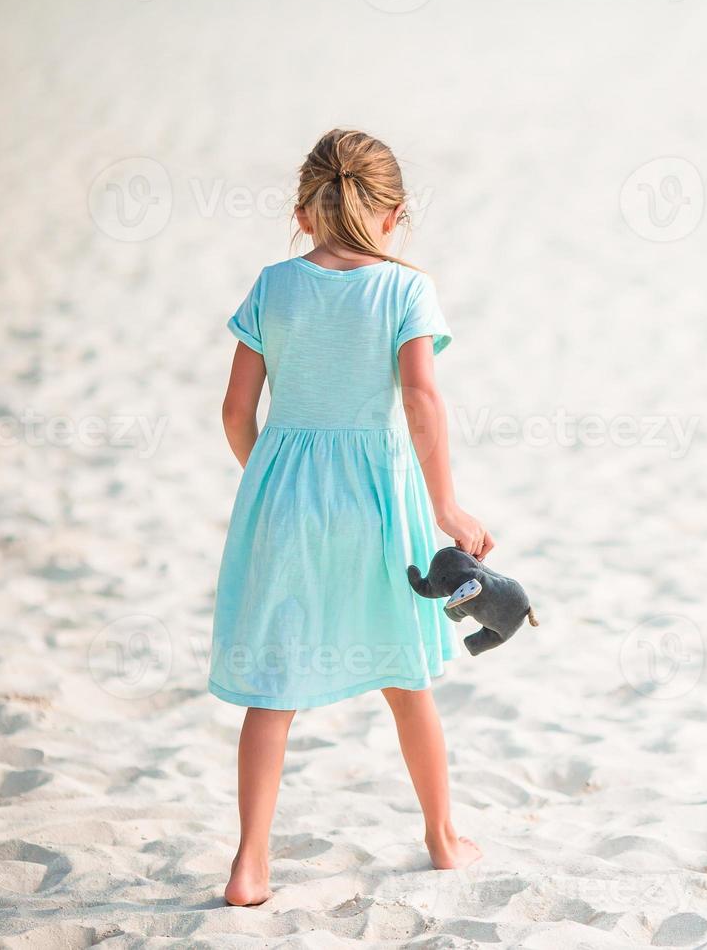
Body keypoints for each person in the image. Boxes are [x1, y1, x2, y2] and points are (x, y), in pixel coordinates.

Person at [211, 129, 489, 906]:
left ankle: (250, 866)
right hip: (376, 498)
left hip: (287, 499)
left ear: (303, 213)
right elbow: (422, 400)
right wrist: (446, 506)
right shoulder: (405, 290)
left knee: (274, 689)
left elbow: (237, 411)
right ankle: (440, 839)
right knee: (406, 676)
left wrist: (268, 481)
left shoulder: (273, 284)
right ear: (394, 214)